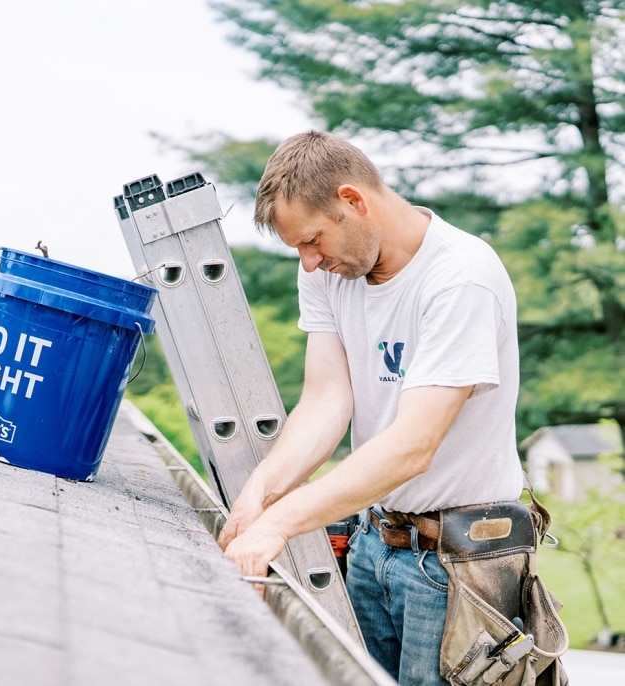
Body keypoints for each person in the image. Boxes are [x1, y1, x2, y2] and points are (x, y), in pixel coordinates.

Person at [217, 131, 529, 685]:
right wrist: (260, 494)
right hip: (374, 542)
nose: (309, 264)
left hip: (456, 565)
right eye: (299, 250)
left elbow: (413, 446)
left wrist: (282, 523)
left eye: (313, 241)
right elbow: (326, 399)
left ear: (353, 201)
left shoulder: (460, 279)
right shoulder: (330, 271)